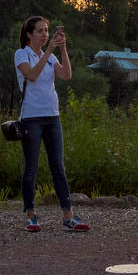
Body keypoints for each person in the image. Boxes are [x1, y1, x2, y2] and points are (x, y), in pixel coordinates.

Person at [14, 15, 88, 233]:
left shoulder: (51, 56)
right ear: (29, 34)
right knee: (32, 168)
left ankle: (68, 216)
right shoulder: (21, 54)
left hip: (52, 116)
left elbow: (66, 75)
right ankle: (31, 215)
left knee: (58, 167)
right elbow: (32, 76)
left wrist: (63, 49)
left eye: (47, 31)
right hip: (31, 117)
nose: (45, 35)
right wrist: (49, 52)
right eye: (40, 31)